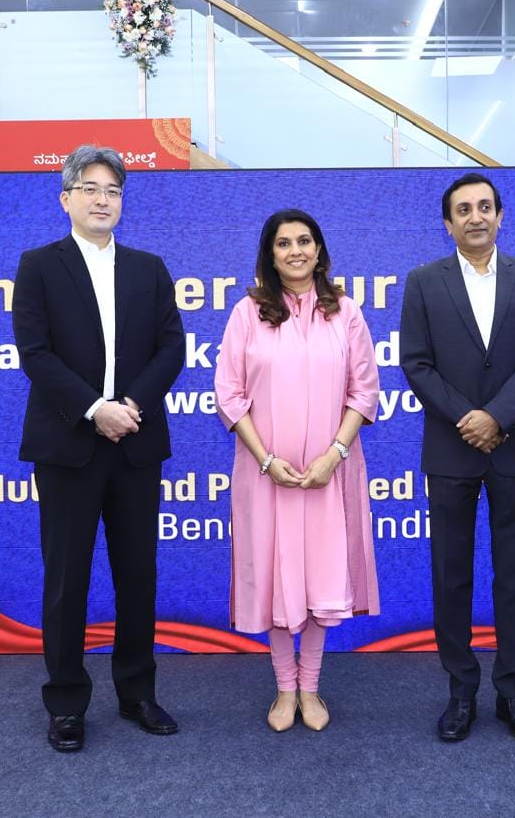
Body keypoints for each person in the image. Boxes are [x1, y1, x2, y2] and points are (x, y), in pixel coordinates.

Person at [11, 144, 185, 752]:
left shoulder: (148, 269)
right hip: (68, 445)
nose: (102, 199)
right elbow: (35, 354)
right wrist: (95, 409)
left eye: (112, 190)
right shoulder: (39, 266)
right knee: (67, 580)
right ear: (66, 199)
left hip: (135, 441)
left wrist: (129, 407)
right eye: (89, 188)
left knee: (138, 576)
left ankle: (137, 694)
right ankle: (66, 703)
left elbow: (171, 348)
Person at [399, 173, 515, 743]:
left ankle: (512, 690)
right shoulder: (424, 282)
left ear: (500, 216)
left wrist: (497, 416)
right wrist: (468, 418)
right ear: (448, 224)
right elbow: (416, 363)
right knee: (451, 575)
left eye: (485, 207)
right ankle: (461, 691)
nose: (476, 216)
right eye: (463, 209)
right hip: (451, 448)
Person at [214, 208, 380, 733]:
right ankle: (285, 688)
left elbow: (364, 390)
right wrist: (266, 459)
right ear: (270, 254)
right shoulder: (248, 313)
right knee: (276, 581)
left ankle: (311, 686)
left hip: (329, 474)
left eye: (304, 241)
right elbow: (228, 394)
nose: (295, 251)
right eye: (283, 243)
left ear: (319, 250)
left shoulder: (345, 312)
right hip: (266, 475)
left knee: (318, 581)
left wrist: (334, 454)